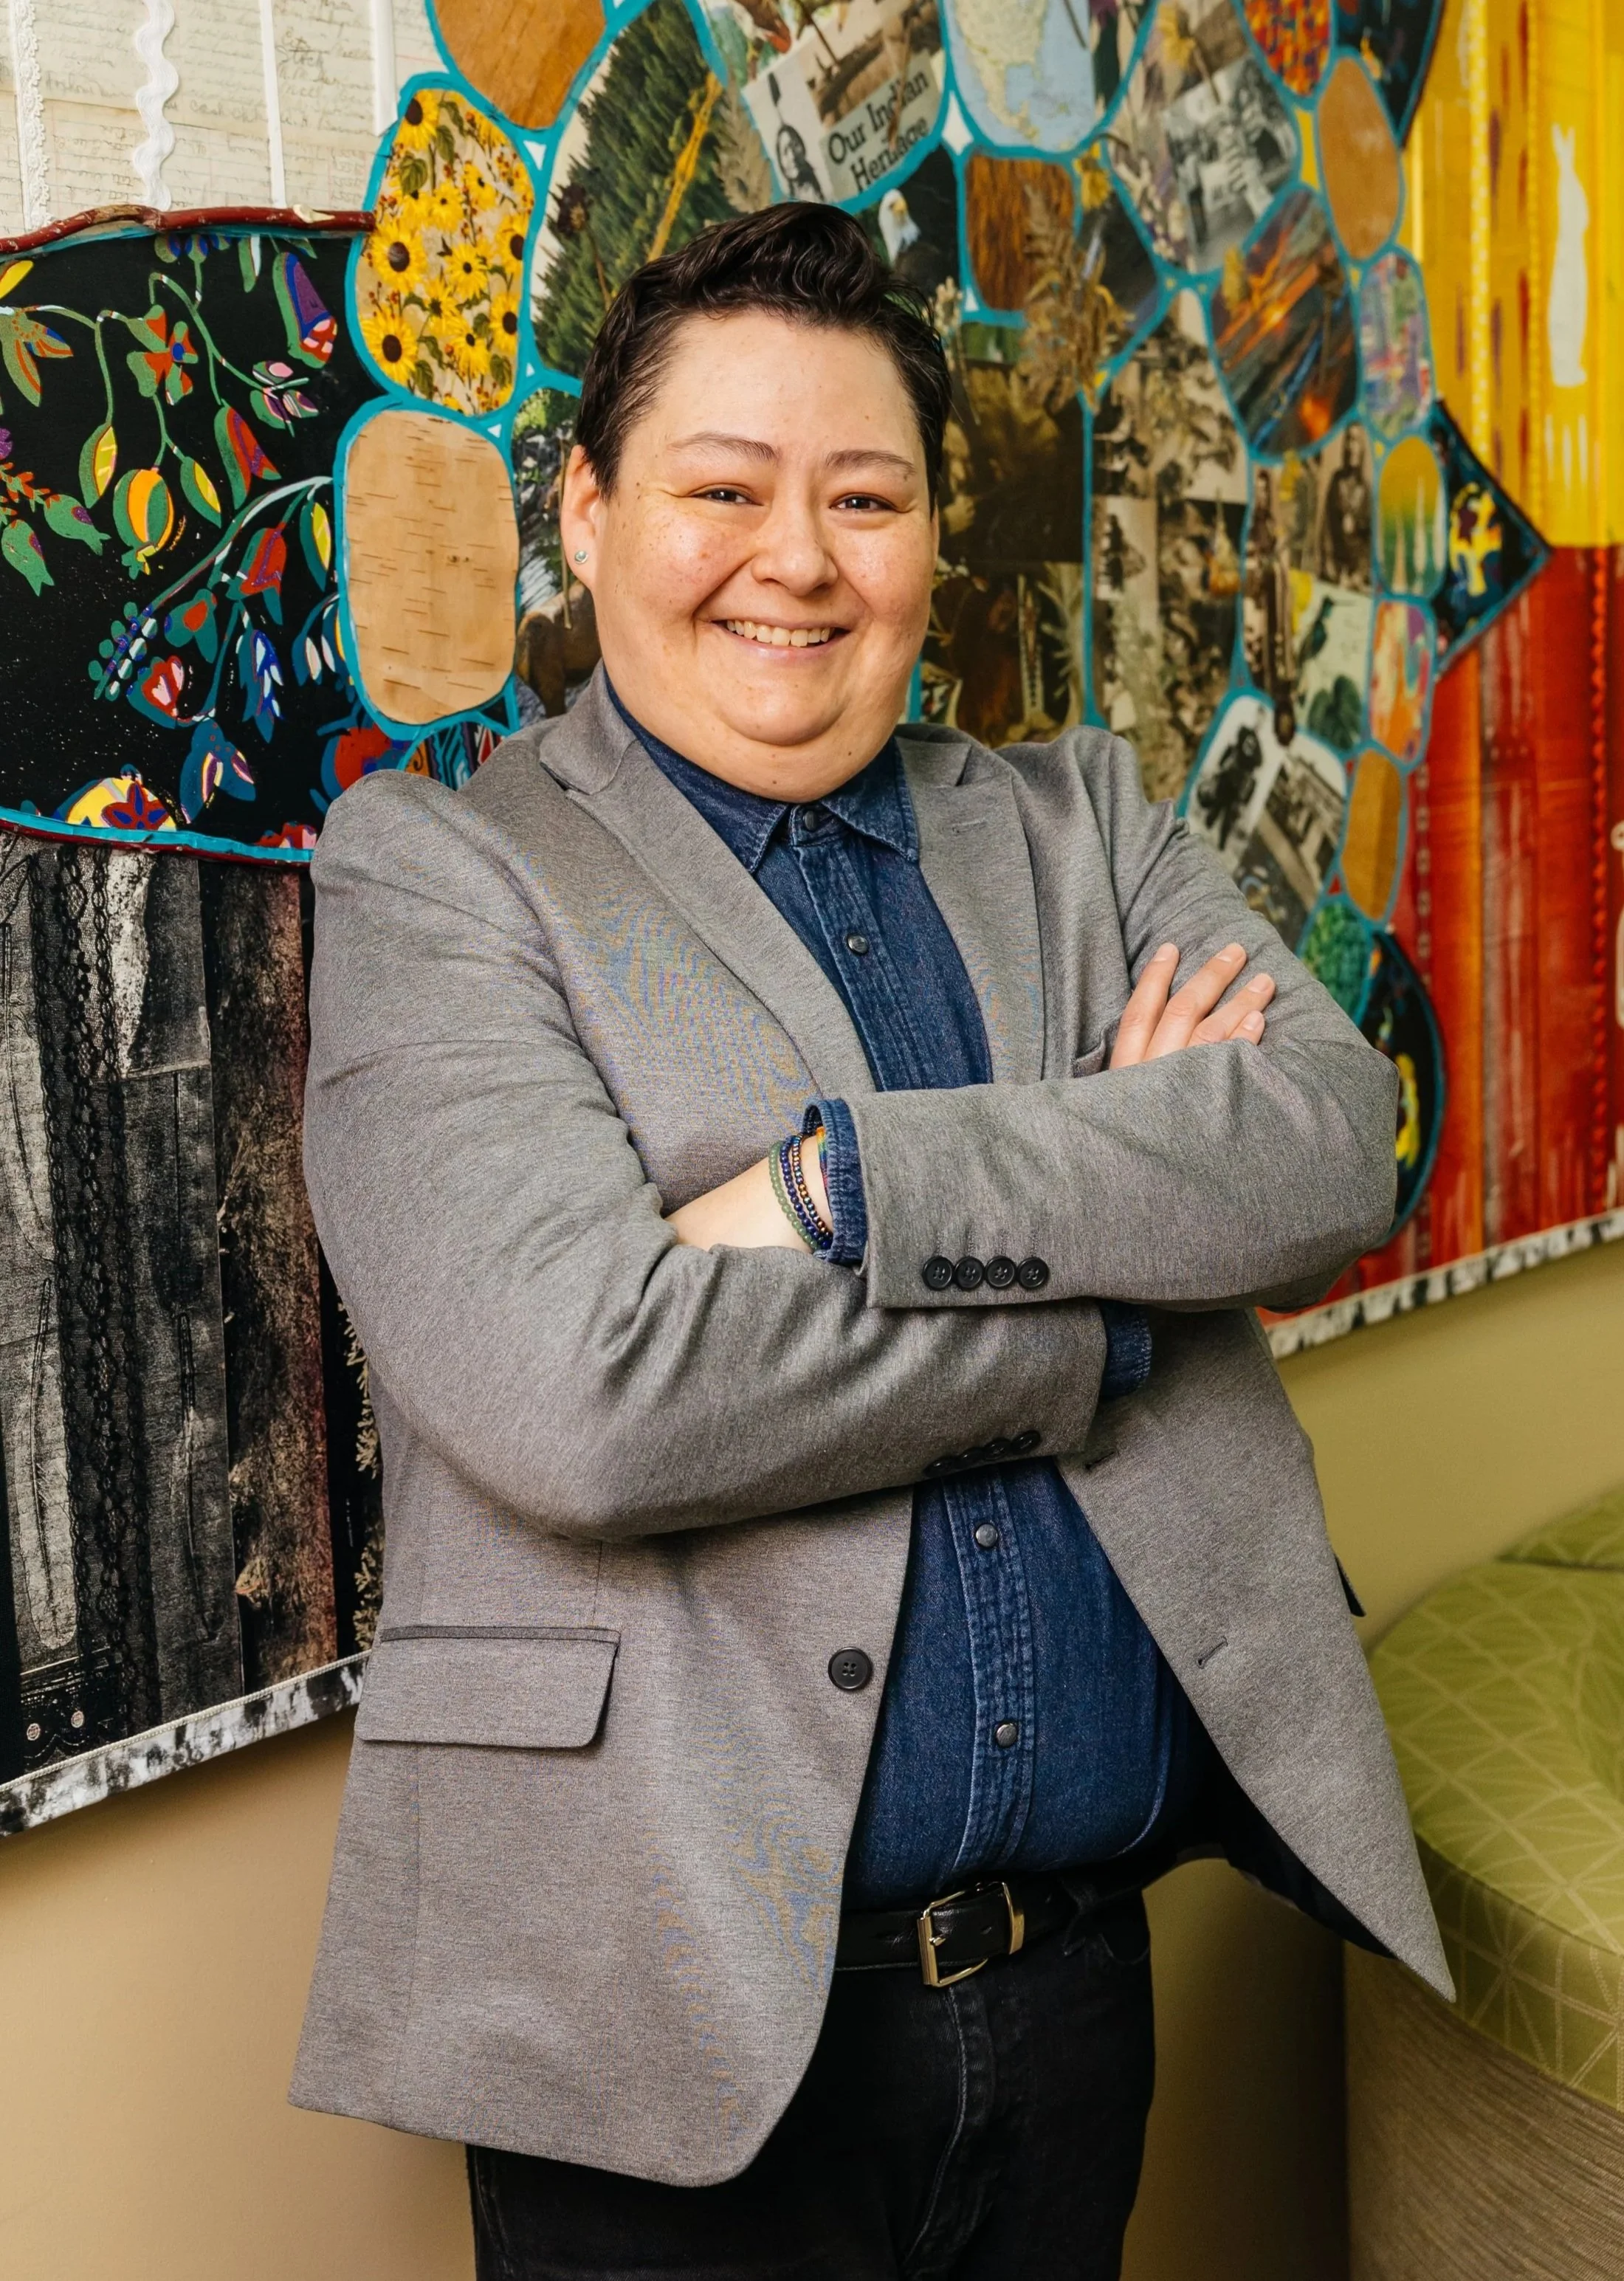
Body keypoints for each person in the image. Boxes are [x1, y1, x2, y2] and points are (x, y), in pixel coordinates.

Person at [291, 205, 1448, 2280]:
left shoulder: (1087, 823)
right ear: (587, 510)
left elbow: (1331, 1149)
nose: (798, 560)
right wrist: (1102, 1304)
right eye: (723, 491)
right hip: (665, 2028)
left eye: (866, 496)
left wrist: (844, 1185)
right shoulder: (442, 877)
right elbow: (591, 1390)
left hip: (1072, 1990)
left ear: (933, 535)